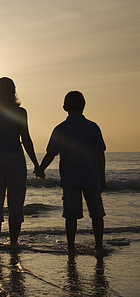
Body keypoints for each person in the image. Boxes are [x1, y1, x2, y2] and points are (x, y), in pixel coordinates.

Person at [35, 91, 106, 253]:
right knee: (96, 214)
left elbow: (51, 153)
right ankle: (99, 246)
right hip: (91, 176)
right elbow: (100, 154)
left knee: (71, 216)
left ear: (64, 107)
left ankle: (71, 247)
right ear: (84, 106)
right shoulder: (93, 127)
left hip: (70, 178)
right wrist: (102, 176)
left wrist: (40, 169)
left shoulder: (61, 128)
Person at [0, 77, 40, 249]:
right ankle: (13, 243)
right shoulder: (21, 113)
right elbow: (26, 139)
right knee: (16, 204)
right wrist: (36, 163)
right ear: (13, 91)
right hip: (15, 158)